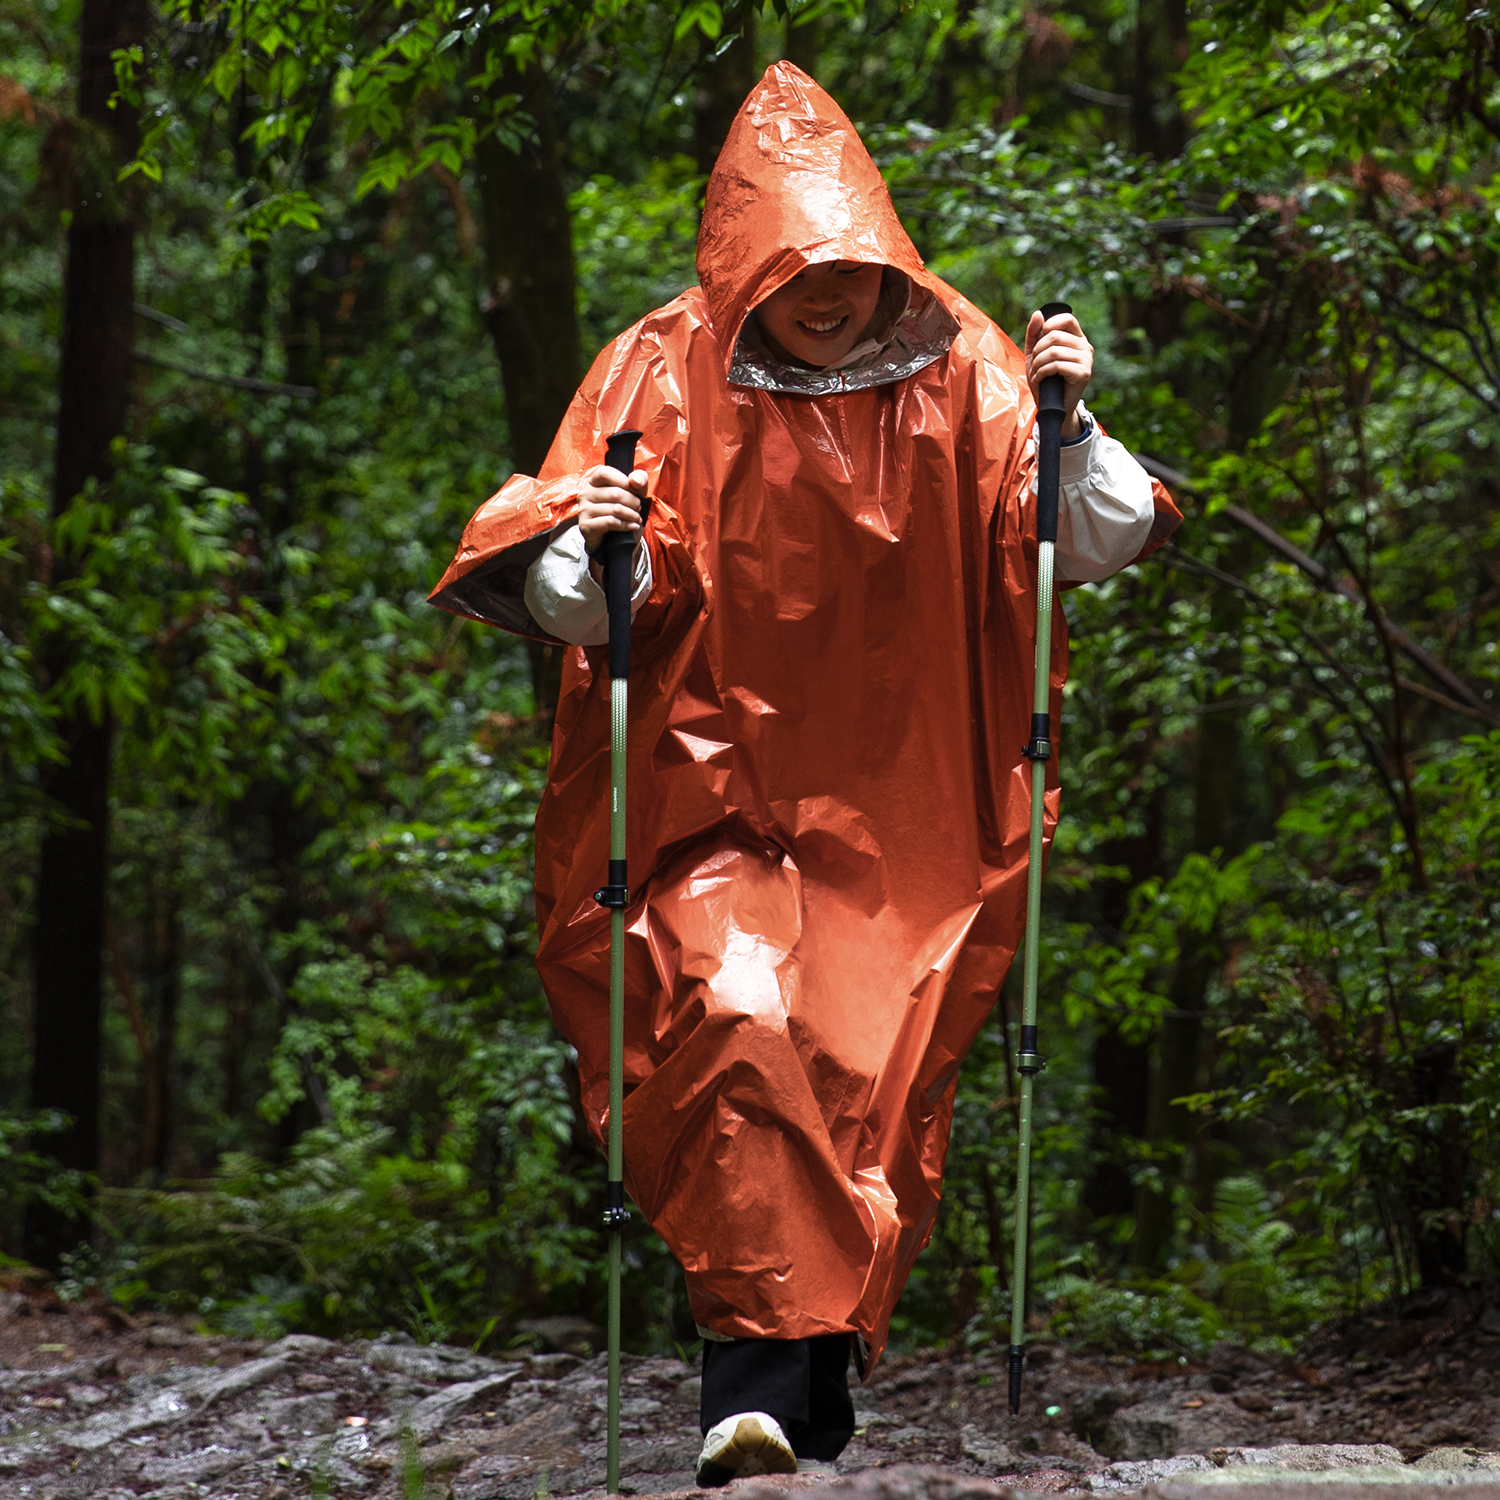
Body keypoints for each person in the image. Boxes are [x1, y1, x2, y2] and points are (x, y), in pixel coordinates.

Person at [431, 61, 1179, 1488]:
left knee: (860, 1087)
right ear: (747, 262)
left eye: (847, 266)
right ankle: (755, 1391)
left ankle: (800, 1406)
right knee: (733, 1021)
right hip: (708, 799)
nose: (826, 295)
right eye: (798, 269)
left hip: (911, 818)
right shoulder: (660, 368)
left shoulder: (967, 365)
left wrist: (1070, 420)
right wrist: (598, 537)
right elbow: (585, 602)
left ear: (880, 250)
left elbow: (1084, 540)